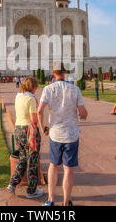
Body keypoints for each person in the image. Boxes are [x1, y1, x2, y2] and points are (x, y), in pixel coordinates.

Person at [38, 62, 88, 206]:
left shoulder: (48, 89)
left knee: (53, 166)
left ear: (53, 73)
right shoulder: (74, 89)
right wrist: (83, 115)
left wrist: (43, 128)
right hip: (71, 135)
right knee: (68, 170)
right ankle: (66, 203)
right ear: (65, 72)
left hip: (55, 134)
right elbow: (83, 113)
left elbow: (40, 110)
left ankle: (51, 200)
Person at [7, 76, 44, 198]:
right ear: (32, 87)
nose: (36, 89)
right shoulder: (30, 99)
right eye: (36, 87)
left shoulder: (19, 97)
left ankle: (12, 185)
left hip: (18, 130)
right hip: (29, 131)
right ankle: (32, 191)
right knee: (32, 160)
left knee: (23, 158)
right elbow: (33, 119)